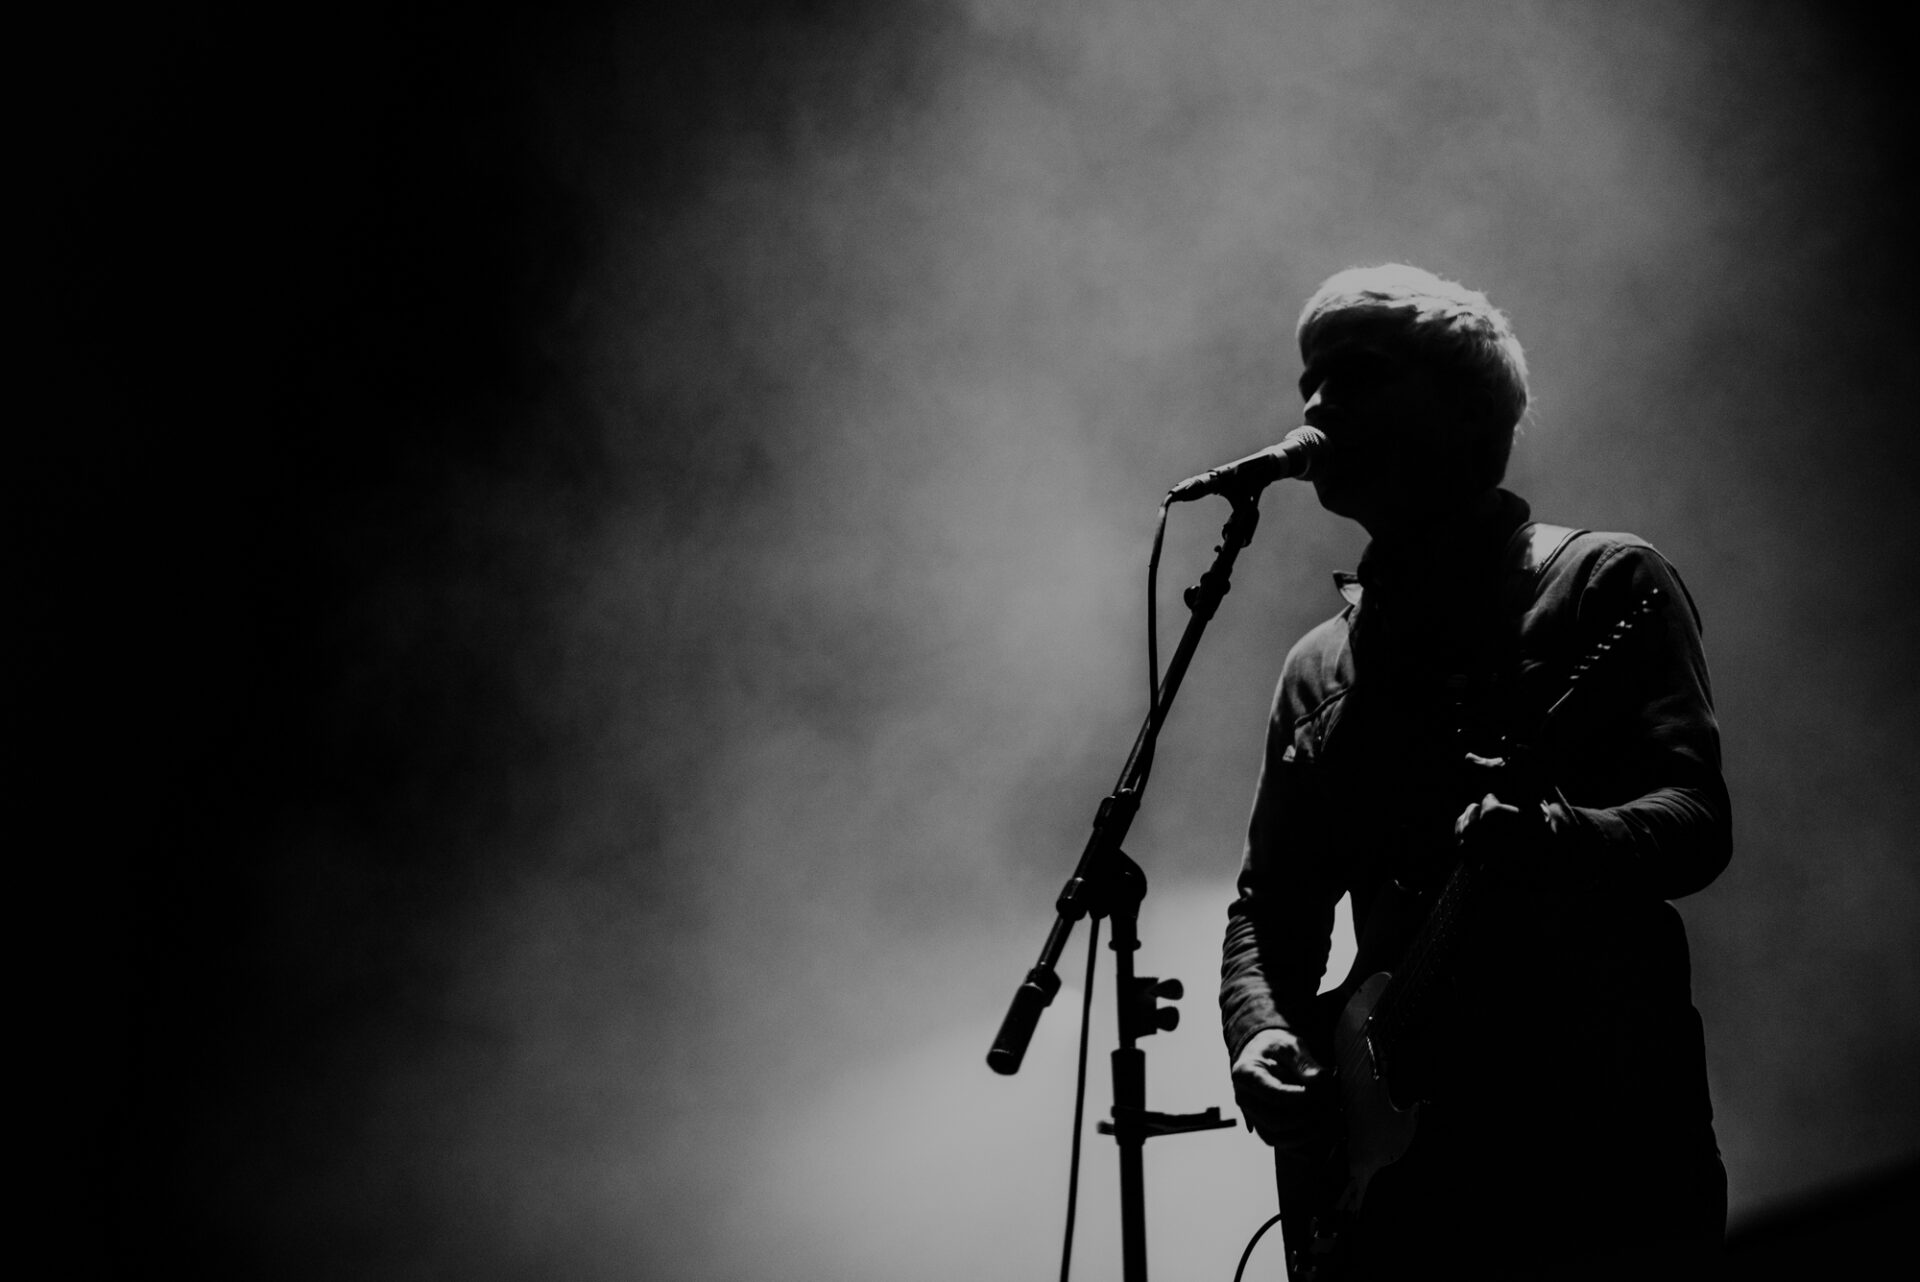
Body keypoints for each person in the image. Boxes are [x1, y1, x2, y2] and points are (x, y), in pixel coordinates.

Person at [1218, 264, 1730, 1278]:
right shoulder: (1317, 668)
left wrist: (1558, 838)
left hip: (1595, 1143)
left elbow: (1696, 820)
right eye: (1309, 381)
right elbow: (1269, 908)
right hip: (1398, 1196)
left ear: (1464, 406)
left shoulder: (1603, 582)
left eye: (1356, 374)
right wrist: (1260, 1030)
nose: (1316, 404)